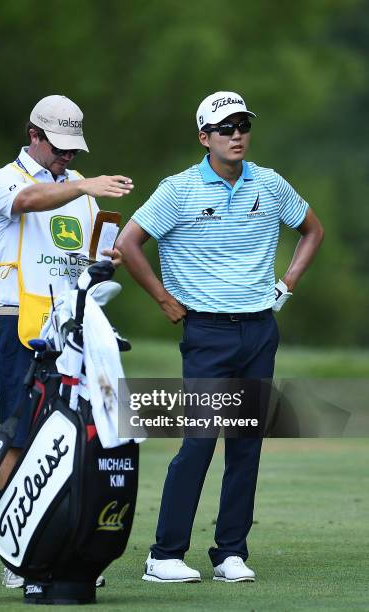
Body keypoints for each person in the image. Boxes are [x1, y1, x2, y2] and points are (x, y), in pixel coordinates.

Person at [116, 91, 324, 583]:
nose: (237, 135)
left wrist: (287, 285)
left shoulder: (269, 184)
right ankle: (163, 554)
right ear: (204, 137)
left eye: (243, 126)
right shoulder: (180, 189)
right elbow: (127, 242)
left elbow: (312, 230)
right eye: (225, 128)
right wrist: (166, 301)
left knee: (247, 443)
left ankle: (230, 552)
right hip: (207, 332)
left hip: (259, 329)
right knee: (200, 440)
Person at [0, 94, 133, 588]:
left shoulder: (83, 197)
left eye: (74, 151)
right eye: (60, 147)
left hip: (73, 330)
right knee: (20, 438)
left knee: (72, 440)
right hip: (20, 326)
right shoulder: (4, 181)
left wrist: (106, 262)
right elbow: (27, 204)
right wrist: (85, 184)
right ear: (34, 135)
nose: (67, 158)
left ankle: (60, 546)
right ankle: (14, 555)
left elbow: (83, 261)